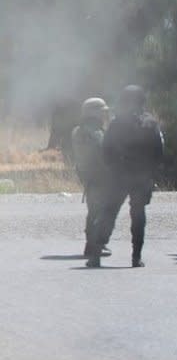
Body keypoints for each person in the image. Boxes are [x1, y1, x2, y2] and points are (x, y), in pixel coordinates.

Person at [85, 85, 164, 268]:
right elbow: (159, 151)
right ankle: (136, 258)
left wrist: (113, 168)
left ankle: (95, 255)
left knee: (108, 213)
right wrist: (150, 171)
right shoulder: (151, 123)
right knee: (138, 215)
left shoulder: (117, 123)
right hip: (141, 176)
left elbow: (106, 151)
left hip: (118, 176)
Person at [71, 97, 112, 259]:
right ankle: (93, 246)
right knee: (99, 211)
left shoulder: (79, 131)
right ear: (93, 114)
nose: (104, 115)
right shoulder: (95, 132)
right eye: (102, 112)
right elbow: (103, 153)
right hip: (99, 176)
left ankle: (93, 244)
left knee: (94, 210)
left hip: (88, 175)